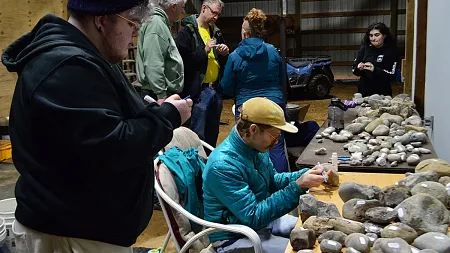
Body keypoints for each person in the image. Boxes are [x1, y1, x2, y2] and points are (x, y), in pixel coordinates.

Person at [0, 0, 193, 252]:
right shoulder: (66, 67)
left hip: (86, 231)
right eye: (131, 23)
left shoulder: (86, 58)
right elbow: (113, 146)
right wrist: (167, 116)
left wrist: (152, 111)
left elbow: (105, 125)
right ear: (101, 21)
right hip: (71, 236)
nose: (135, 32)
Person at [203, 97, 330, 253]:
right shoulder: (223, 166)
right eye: (274, 136)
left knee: (318, 231)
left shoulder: (254, 147)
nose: (276, 142)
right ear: (253, 129)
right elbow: (253, 216)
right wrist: (298, 186)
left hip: (260, 223)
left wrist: (305, 174)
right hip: (234, 236)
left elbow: (272, 180)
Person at [221, 8, 318, 173]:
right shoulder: (272, 51)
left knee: (247, 152)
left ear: (244, 33)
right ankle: (281, 187)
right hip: (273, 105)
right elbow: (283, 81)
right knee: (275, 146)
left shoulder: (235, 56)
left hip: (248, 110)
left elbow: (226, 87)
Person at [176, 0, 229, 148]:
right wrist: (204, 51)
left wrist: (224, 52)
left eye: (219, 15)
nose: (216, 17)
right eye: (214, 13)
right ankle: (198, 168)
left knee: (213, 134)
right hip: (199, 93)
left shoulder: (215, 32)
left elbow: (222, 61)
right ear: (204, 8)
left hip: (215, 90)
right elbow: (183, 62)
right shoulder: (187, 32)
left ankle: (209, 166)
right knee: (198, 136)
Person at [136, 0, 186, 104]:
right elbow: (153, 62)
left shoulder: (159, 22)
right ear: (173, 7)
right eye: (182, 7)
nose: (183, 11)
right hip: (157, 95)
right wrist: (161, 95)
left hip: (157, 92)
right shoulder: (156, 24)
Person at [352, 22, 400, 97]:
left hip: (383, 94)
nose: (373, 38)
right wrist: (358, 68)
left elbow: (392, 75)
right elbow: (354, 70)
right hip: (364, 92)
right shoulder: (364, 49)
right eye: (371, 36)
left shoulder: (391, 52)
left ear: (384, 36)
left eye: (377, 35)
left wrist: (375, 70)